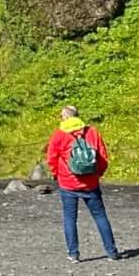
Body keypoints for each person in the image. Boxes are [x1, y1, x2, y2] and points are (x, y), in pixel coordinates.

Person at [46, 106, 120, 263]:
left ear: (65, 118)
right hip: (91, 183)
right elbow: (103, 157)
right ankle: (112, 252)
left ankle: (73, 254)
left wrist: (56, 174)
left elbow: (51, 158)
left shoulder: (59, 135)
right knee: (100, 216)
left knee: (69, 218)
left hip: (67, 183)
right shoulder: (92, 132)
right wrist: (97, 174)